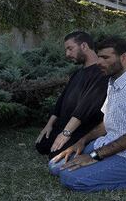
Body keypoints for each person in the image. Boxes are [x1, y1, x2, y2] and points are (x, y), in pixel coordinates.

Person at [49, 36, 126, 192]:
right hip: (112, 143)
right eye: (99, 56)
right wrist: (82, 141)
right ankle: (103, 163)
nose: (99, 62)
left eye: (105, 57)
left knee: (72, 179)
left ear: (124, 58)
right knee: (55, 166)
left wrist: (95, 156)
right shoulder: (113, 81)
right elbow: (108, 122)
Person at [35, 31, 108, 159]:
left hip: (82, 127)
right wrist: (49, 124)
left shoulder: (100, 73)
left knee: (56, 154)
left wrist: (66, 133)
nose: (67, 54)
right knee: (41, 146)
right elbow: (62, 99)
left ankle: (86, 145)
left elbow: (86, 107)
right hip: (65, 123)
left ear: (84, 46)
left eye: (70, 48)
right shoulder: (77, 73)